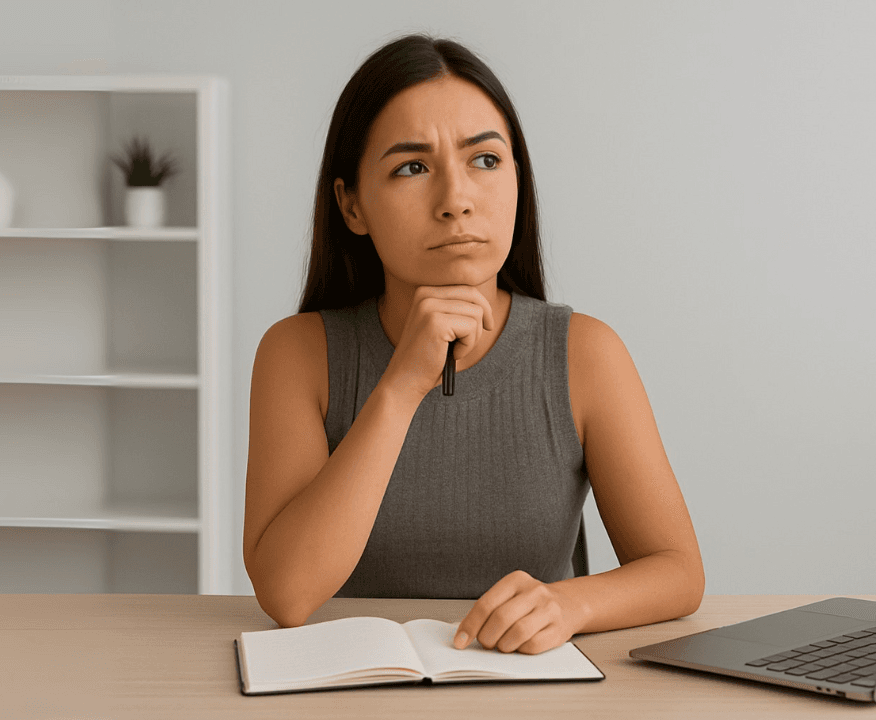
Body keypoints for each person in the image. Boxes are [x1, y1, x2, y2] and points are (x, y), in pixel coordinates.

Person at [242, 33, 704, 655]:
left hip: (532, 686)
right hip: (356, 690)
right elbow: (287, 595)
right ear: (352, 206)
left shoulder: (586, 353)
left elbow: (678, 571)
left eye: (485, 160)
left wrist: (570, 603)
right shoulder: (297, 353)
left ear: (518, 177)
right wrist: (402, 385)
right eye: (412, 167)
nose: (456, 200)